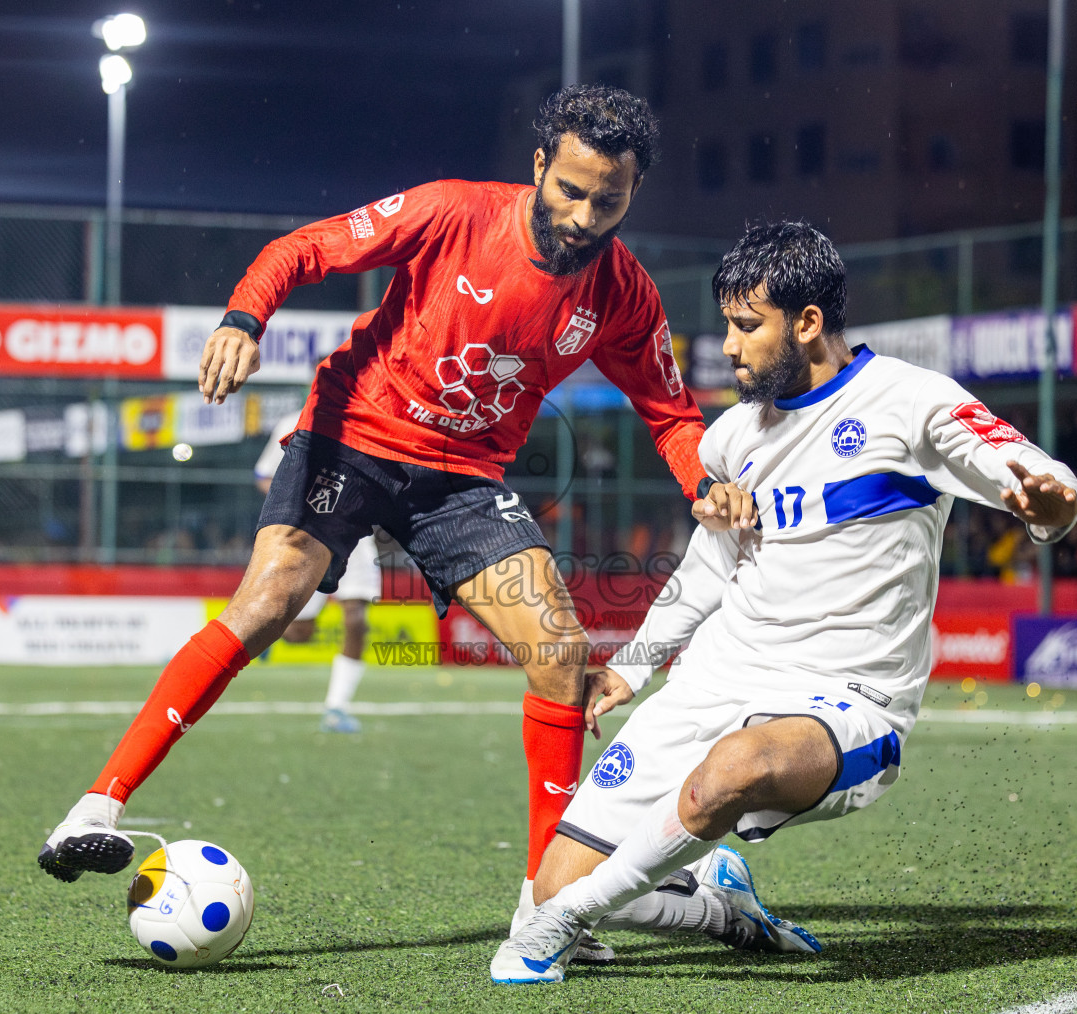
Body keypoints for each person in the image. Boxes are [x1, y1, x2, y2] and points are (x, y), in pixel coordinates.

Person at [37, 88, 735, 961]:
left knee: (560, 652)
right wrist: (245, 318)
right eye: (571, 189)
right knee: (265, 606)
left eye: (610, 200)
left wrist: (703, 482)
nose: (585, 215)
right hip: (351, 438)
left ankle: (545, 903)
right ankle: (96, 807)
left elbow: (669, 412)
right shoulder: (454, 211)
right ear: (539, 170)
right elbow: (306, 248)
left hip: (464, 482)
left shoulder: (624, 292)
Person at [492, 221, 1077, 984]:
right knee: (552, 877)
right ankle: (716, 910)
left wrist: (1048, 506)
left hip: (848, 698)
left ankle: (561, 926)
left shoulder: (913, 404)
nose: (730, 348)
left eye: (746, 327)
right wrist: (633, 669)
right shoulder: (734, 436)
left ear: (807, 324)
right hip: (717, 679)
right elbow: (709, 566)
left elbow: (1044, 484)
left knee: (725, 776)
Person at [254, 412, 378, 734]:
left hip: (357, 536)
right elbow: (264, 475)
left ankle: (336, 708)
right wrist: (295, 502)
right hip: (310, 533)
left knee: (357, 620)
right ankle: (266, 634)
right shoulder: (291, 423)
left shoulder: (372, 418)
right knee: (298, 633)